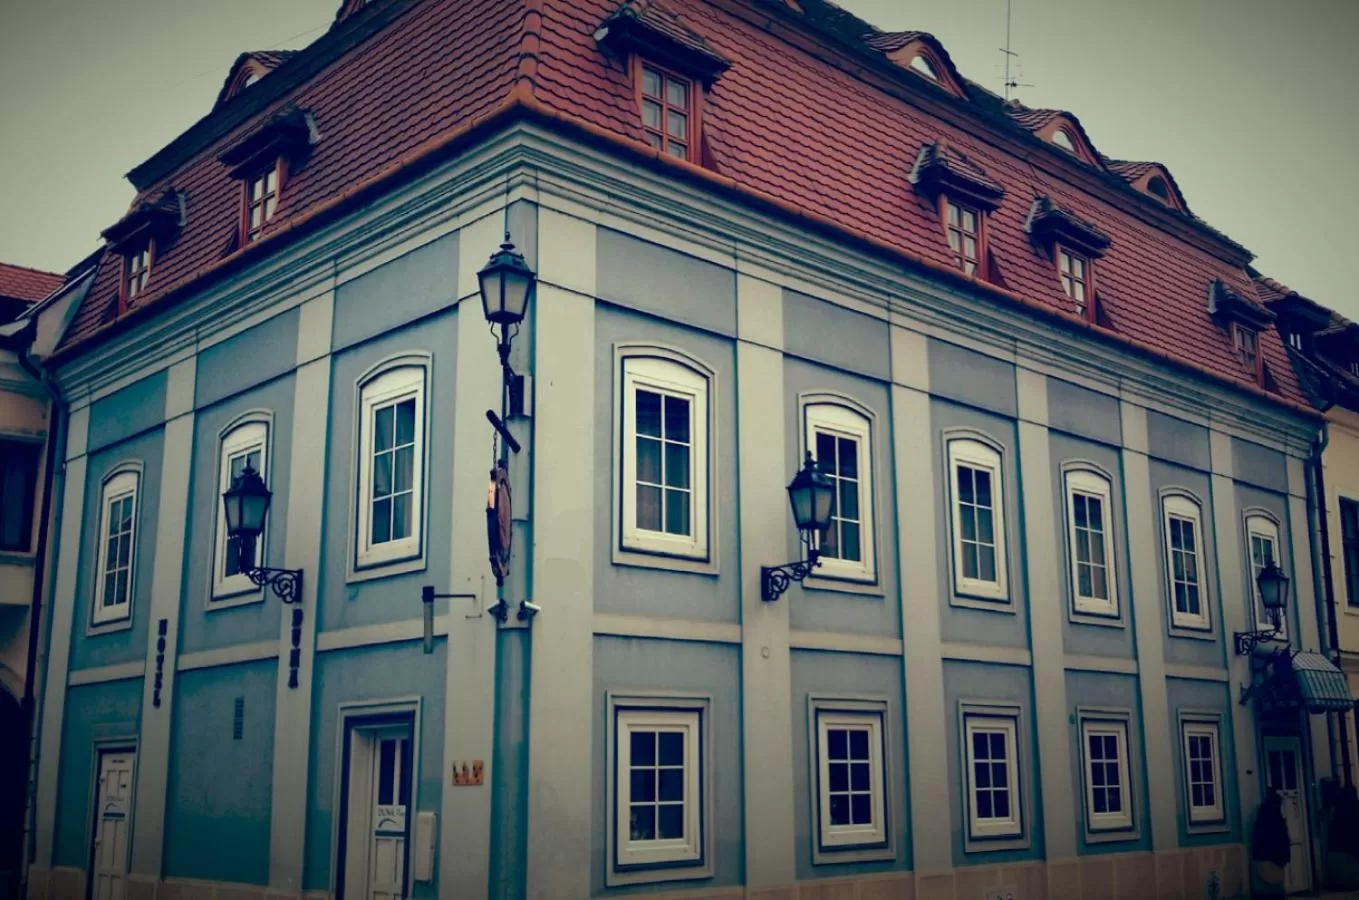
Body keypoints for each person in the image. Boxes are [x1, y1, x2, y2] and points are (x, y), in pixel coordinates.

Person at [1251, 789, 1291, 897]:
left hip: (1260, 861)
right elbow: (1284, 840)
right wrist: (1284, 858)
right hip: (1275, 861)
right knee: (1275, 892)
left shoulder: (1260, 819)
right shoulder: (1278, 820)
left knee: (1262, 892)